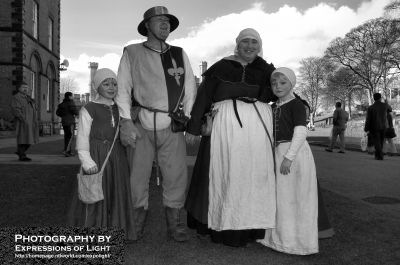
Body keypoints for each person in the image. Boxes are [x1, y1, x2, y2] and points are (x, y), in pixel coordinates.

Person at [185, 28, 277, 248]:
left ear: (260, 45)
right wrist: (193, 126)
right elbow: (204, 96)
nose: (249, 46)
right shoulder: (222, 66)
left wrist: (299, 104)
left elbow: (282, 89)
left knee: (250, 178)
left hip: (254, 132)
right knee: (217, 173)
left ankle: (248, 227)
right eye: (245, 41)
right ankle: (211, 224)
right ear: (237, 44)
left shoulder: (266, 69)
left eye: (254, 42)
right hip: (222, 129)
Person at [115, 6, 197, 242]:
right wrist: (126, 122)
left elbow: (190, 89)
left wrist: (187, 118)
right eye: (159, 20)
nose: (165, 25)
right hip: (141, 124)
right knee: (136, 177)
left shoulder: (180, 53)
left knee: (176, 175)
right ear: (147, 26)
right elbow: (123, 88)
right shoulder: (132, 52)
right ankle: (135, 224)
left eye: (168, 22)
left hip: (172, 125)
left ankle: (175, 225)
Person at [67, 68, 137, 243]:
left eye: (114, 83)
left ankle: (115, 231)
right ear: (97, 86)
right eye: (106, 83)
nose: (111, 87)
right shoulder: (88, 109)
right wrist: (86, 160)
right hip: (97, 155)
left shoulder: (120, 109)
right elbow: (82, 137)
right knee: (96, 194)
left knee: (116, 193)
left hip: (117, 156)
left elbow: (125, 131)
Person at [258, 67, 318, 255]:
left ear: (291, 84)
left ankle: (298, 243)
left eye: (283, 82)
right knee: (280, 198)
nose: (278, 86)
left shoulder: (296, 104)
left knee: (297, 198)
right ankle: (277, 239)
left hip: (294, 154)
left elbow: (300, 131)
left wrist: (289, 158)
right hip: (277, 153)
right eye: (274, 83)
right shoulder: (272, 107)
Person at [11, 81, 39, 161]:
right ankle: (22, 155)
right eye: (23, 87)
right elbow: (16, 109)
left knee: (31, 139)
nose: (25, 89)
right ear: (19, 88)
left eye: (26, 88)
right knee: (23, 138)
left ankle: (19, 152)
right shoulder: (16, 97)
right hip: (23, 121)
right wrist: (23, 119)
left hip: (31, 121)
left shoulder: (28, 98)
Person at [364, 93, 389, 160]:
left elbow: (368, 119)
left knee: (376, 141)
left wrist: (366, 128)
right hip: (383, 126)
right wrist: (386, 102)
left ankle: (379, 155)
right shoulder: (385, 106)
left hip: (374, 126)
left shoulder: (371, 107)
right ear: (380, 98)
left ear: (373, 98)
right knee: (380, 141)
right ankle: (377, 155)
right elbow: (390, 110)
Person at [56, 92, 79, 157]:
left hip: (64, 121)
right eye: (72, 96)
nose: (73, 97)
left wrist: (64, 116)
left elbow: (58, 113)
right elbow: (74, 110)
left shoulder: (61, 104)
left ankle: (68, 151)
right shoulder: (71, 103)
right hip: (70, 121)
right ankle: (66, 150)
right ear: (69, 96)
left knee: (66, 136)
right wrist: (77, 114)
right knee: (71, 136)